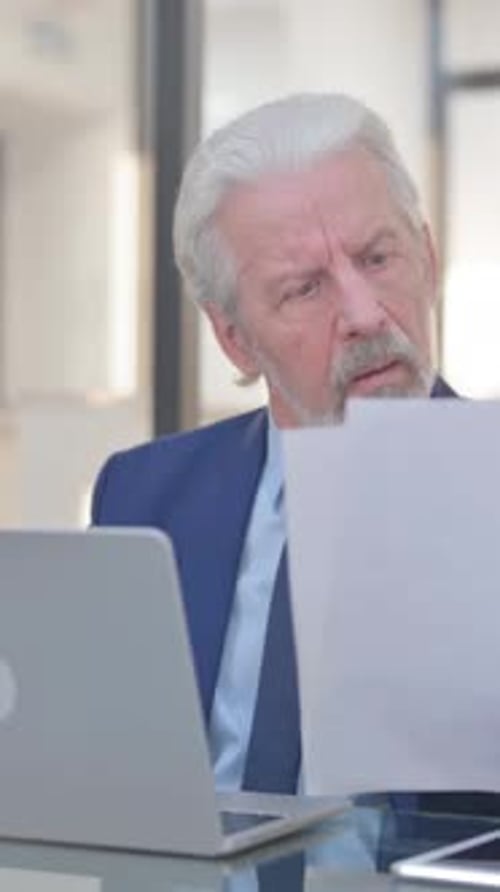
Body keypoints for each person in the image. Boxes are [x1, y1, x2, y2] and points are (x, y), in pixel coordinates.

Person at [92, 93, 461, 831]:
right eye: (305, 287)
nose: (363, 313)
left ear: (428, 255)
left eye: (377, 258)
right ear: (233, 338)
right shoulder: (143, 496)